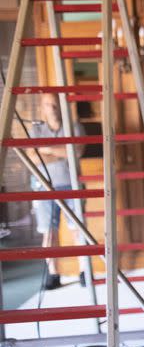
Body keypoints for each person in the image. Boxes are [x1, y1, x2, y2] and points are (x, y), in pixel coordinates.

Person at [30, 93, 85, 290]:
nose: (52, 108)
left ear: (61, 107)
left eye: (55, 104)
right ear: (42, 108)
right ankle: (53, 275)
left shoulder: (75, 127)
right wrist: (61, 151)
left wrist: (46, 149)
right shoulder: (35, 129)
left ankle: (83, 271)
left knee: (78, 230)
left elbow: (76, 152)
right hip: (43, 187)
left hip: (71, 185)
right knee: (49, 232)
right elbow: (32, 157)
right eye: (48, 104)